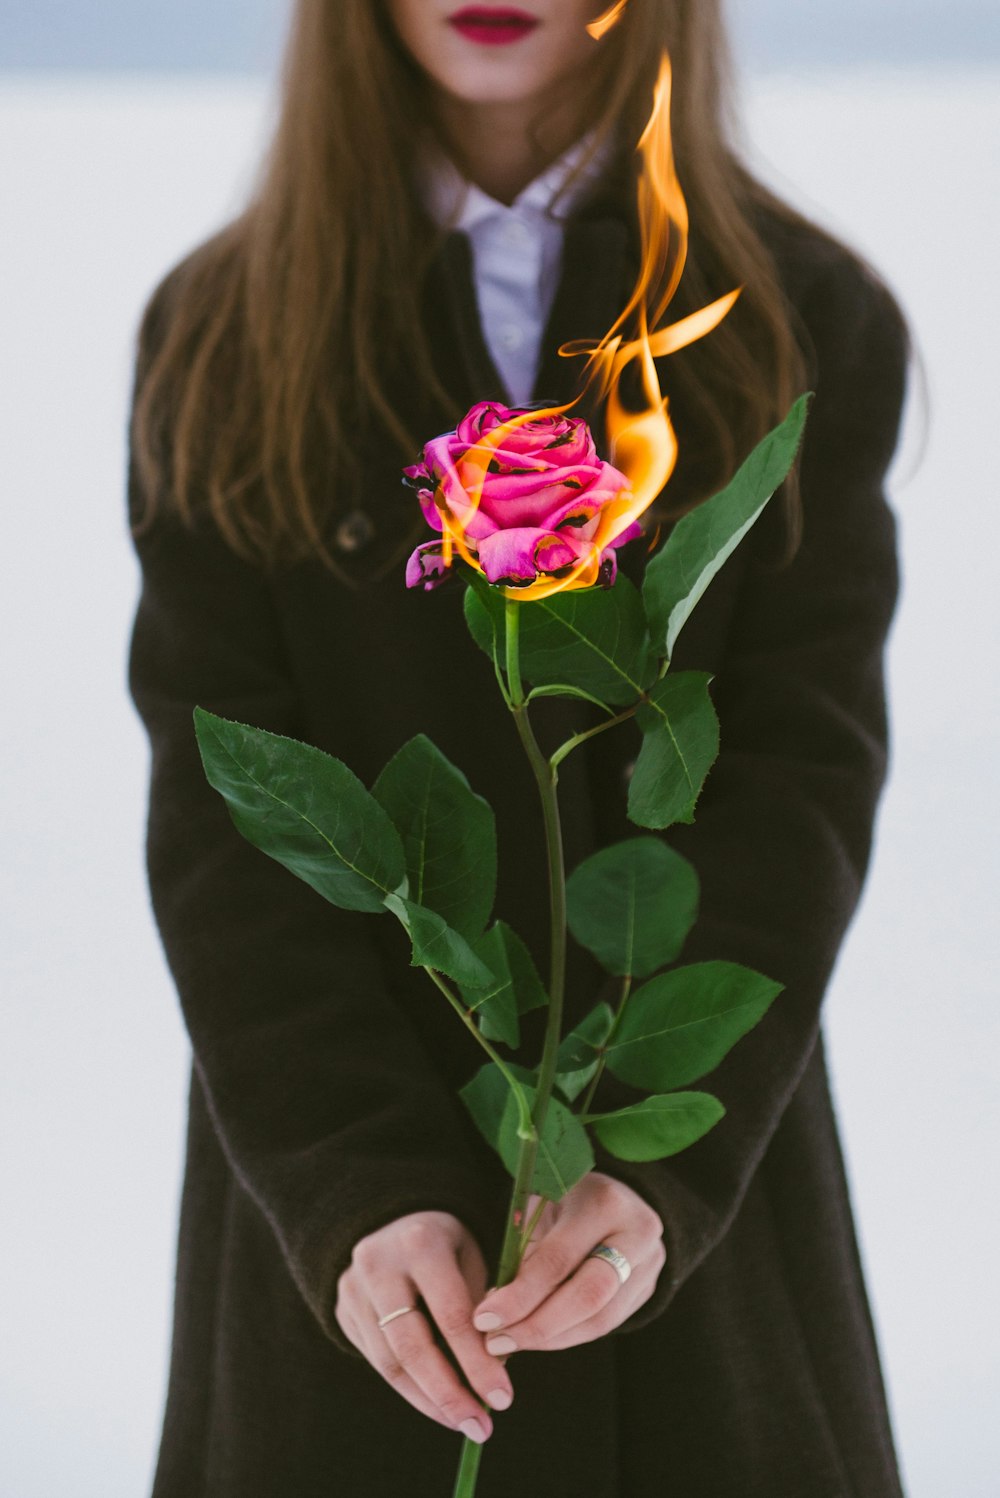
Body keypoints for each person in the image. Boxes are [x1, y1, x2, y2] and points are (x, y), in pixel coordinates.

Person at [127, 2, 910, 1494]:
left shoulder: (804, 316)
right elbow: (226, 823)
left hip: (702, 1246)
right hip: (346, 1283)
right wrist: (353, 1186)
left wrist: (655, 1173)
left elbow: (800, 785)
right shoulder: (223, 332)